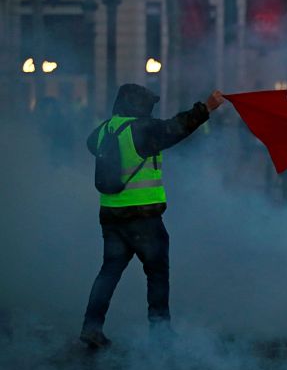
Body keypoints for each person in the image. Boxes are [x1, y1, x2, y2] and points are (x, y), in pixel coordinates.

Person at [80, 84, 225, 348]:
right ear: (138, 105)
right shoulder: (143, 130)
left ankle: (91, 327)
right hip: (144, 218)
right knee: (157, 275)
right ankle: (160, 335)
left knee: (108, 273)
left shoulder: (104, 130)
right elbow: (177, 127)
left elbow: (91, 145)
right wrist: (206, 108)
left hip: (111, 216)